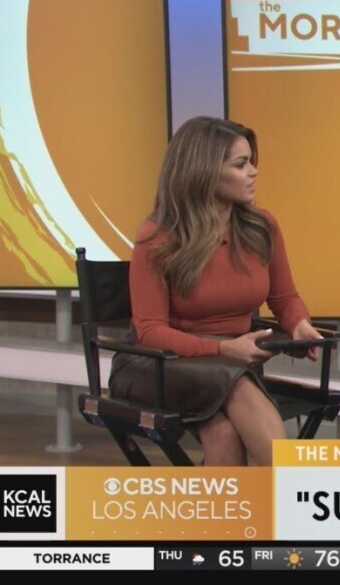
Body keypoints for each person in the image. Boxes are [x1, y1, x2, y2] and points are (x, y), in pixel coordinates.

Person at [110, 116, 323, 466]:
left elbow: (284, 299)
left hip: (230, 364)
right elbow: (149, 331)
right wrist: (223, 348)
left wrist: (299, 324)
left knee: (223, 433)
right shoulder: (157, 236)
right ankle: (293, 490)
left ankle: (234, 504)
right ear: (204, 172)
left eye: (251, 162)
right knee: (235, 383)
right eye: (241, 164)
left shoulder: (262, 227)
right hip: (158, 365)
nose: (253, 171)